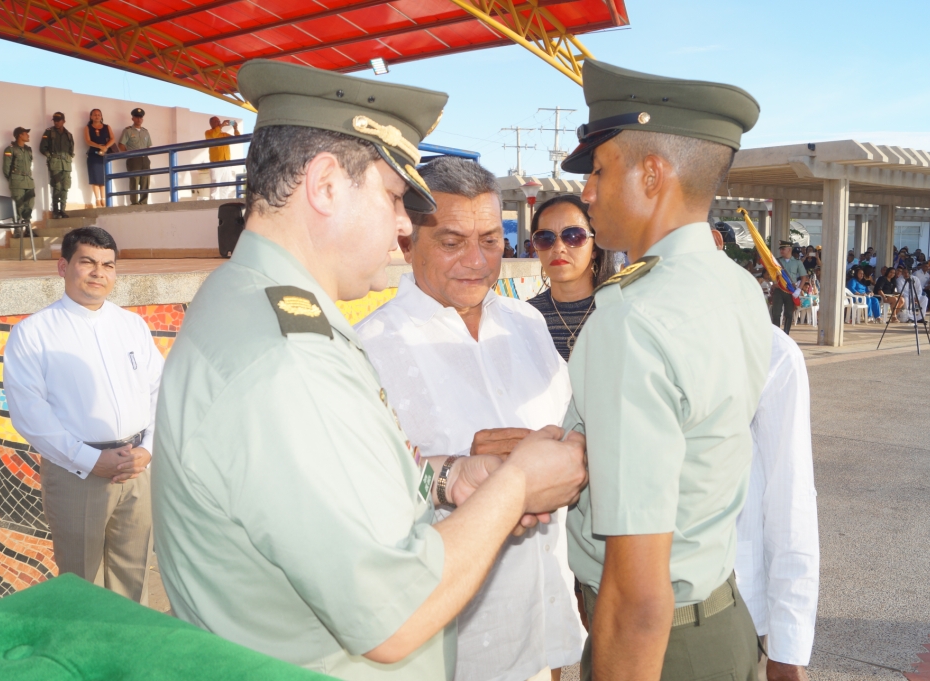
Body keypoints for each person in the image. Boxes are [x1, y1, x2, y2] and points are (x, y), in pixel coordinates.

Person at [151, 60, 588, 681]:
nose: (403, 224)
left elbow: (344, 488)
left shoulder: (253, 305)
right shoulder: (288, 360)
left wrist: (448, 479)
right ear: (326, 185)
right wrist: (515, 485)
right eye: (391, 196)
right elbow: (393, 613)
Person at [558, 58, 772, 681]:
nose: (587, 191)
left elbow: (637, 592)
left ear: (652, 175)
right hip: (723, 625)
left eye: (600, 170)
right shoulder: (736, 287)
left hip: (656, 651)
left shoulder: (634, 317)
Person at [356, 157, 583, 681]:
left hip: (544, 627)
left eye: (491, 240)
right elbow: (360, 503)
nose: (477, 261)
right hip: (452, 649)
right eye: (452, 241)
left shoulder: (528, 323)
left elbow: (572, 432)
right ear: (407, 242)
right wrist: (459, 470)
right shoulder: (370, 349)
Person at [4, 227, 162, 603]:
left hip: (137, 469)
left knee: (133, 575)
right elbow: (30, 413)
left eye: (108, 265)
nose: (98, 273)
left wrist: (149, 449)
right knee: (81, 582)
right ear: (63, 267)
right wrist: (91, 460)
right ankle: (83, 639)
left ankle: (128, 638)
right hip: (76, 474)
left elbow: (160, 390)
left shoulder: (131, 325)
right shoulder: (33, 333)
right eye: (87, 262)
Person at [735, 326, 820, 681]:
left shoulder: (769, 349)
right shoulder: (622, 327)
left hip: (734, 611)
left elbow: (790, 500)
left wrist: (787, 648)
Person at [528, 194, 609, 361]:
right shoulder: (525, 318)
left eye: (574, 236)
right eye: (545, 238)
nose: (558, 248)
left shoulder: (621, 312)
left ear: (595, 246)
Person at [40, 112, 75, 219]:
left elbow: (71, 149)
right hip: (55, 163)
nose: (56, 122)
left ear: (63, 121)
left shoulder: (68, 134)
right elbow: (42, 148)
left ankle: (63, 210)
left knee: (65, 186)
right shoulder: (49, 132)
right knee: (57, 186)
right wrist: (50, 157)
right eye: (54, 120)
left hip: (66, 164)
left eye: (58, 120)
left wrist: (69, 157)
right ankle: (55, 210)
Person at [3, 127, 35, 234]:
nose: (28, 135)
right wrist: (13, 179)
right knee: (18, 205)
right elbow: (6, 168)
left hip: (29, 181)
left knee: (29, 205)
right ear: (19, 135)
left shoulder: (28, 149)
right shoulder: (10, 149)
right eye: (26, 133)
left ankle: (28, 228)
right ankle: (17, 229)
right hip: (17, 181)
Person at [770, 242, 807, 335]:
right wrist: (774, 283)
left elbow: (804, 277)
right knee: (776, 313)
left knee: (789, 314)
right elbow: (771, 273)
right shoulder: (777, 261)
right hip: (779, 290)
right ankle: (776, 334)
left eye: (783, 249)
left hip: (791, 291)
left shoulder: (797, 262)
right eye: (780, 249)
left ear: (789, 250)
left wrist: (799, 290)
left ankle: (786, 333)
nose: (781, 251)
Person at [118, 108, 153, 205]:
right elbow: (121, 145)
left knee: (145, 180)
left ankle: (144, 202)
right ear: (132, 118)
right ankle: (134, 203)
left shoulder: (145, 132)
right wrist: (129, 155)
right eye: (137, 117)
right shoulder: (128, 131)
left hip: (145, 159)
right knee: (134, 180)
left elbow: (148, 145)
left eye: (140, 117)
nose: (139, 119)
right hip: (134, 159)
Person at [202, 117, 241, 200]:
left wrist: (235, 128)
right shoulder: (208, 132)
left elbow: (238, 139)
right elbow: (213, 135)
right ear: (211, 123)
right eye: (216, 121)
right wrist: (222, 125)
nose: (219, 122)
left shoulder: (224, 134)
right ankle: (213, 204)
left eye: (219, 121)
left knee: (225, 187)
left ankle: (224, 204)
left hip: (227, 164)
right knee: (215, 187)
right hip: (216, 164)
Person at [85, 109, 115, 208]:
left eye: (99, 115)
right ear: (91, 117)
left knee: (104, 178)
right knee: (95, 177)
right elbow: (88, 141)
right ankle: (97, 200)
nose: (97, 116)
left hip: (105, 154)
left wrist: (105, 147)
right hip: (93, 154)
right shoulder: (88, 127)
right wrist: (99, 146)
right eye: (95, 115)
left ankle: (103, 199)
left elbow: (112, 139)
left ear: (101, 116)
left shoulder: (107, 127)